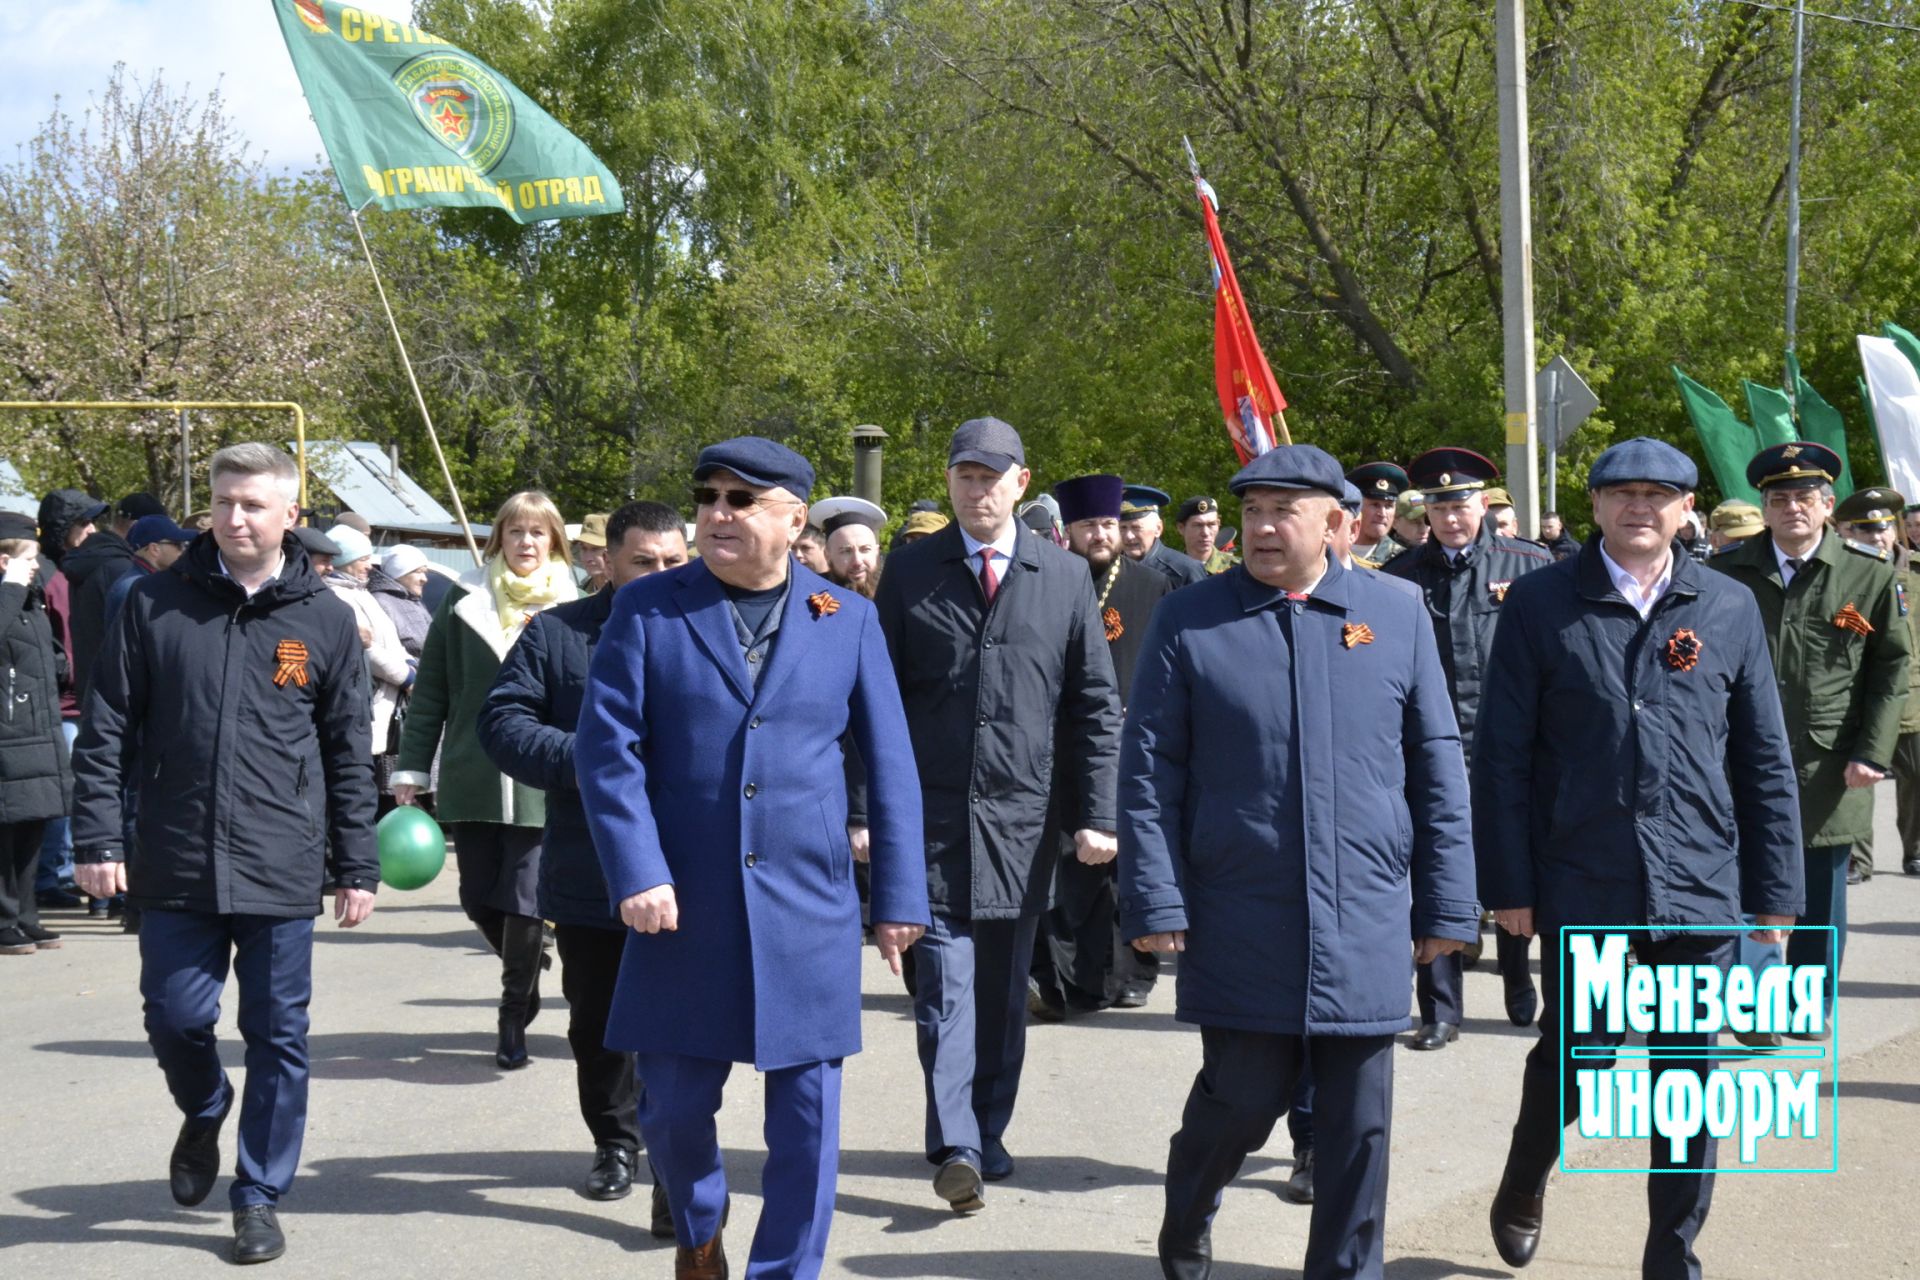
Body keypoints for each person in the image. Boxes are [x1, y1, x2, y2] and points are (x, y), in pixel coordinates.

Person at [1121, 444, 1477, 1280]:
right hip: (1241, 907)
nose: (1263, 527)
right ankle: (1191, 1208)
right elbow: (1148, 771)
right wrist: (1155, 896)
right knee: (1240, 1101)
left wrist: (1448, 905)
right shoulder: (1193, 618)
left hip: (1367, 909)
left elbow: (1437, 762)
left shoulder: (1397, 612)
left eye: (1285, 511)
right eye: (1252, 511)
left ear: (1339, 525)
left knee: (1358, 1126)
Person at [576, 438, 927, 1279]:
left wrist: (901, 898)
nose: (717, 513)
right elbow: (606, 749)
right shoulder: (650, 608)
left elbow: (891, 764)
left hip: (808, 908)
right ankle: (700, 1229)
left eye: (742, 499)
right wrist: (637, 869)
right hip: (680, 905)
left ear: (794, 519)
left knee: (806, 1124)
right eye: (708, 496)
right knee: (672, 1113)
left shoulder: (848, 619)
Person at [1474, 438, 1802, 1278]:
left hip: (1698, 884)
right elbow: (1503, 754)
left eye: (1660, 494)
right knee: (1575, 1063)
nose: (1640, 507)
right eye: (1622, 493)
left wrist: (1775, 896)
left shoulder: (1725, 607)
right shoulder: (1543, 604)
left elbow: (1763, 760)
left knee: (1686, 1084)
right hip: (1585, 880)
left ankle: (1671, 1258)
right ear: (1593, 506)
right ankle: (1523, 1176)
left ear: (1687, 509)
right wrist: (1508, 885)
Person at [69, 443, 377, 1265]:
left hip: (281, 862)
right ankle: (205, 1105)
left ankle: (258, 1192)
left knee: (279, 1034)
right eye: (222, 501)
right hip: (174, 855)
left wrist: (357, 862)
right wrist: (96, 837)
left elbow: (348, 751)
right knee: (175, 1017)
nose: (234, 518)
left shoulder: (324, 620)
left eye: (252, 504)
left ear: (289, 512)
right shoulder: (154, 604)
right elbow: (106, 733)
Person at [873, 416, 1121, 1212]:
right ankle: (957, 1143)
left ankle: (987, 1123)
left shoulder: (1064, 575)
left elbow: (1092, 707)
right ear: (949, 482)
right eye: (964, 476)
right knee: (942, 986)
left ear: (1021, 482)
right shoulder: (909, 574)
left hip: (1023, 824)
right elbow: (872, 704)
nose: (977, 490)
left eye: (992, 476)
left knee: (1004, 993)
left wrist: (1096, 813)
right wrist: (863, 812)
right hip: (931, 825)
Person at [478, 500, 688, 1230]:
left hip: (693, 870)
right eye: (644, 563)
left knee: (679, 1025)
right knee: (598, 1019)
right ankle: (615, 1142)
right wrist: (592, 762)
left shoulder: (716, 630)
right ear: (606, 562)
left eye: (674, 563)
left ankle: (676, 1161)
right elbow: (502, 723)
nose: (660, 576)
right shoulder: (559, 635)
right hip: (592, 866)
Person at [1710, 442, 1910, 1037]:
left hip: (1831, 762)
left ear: (1827, 507)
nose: (1792, 507)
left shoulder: (1866, 575)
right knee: (1749, 882)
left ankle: (1808, 1002)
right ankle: (1753, 1005)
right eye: (1779, 498)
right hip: (1738, 758)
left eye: (1805, 497)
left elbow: (1890, 668)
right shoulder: (1723, 574)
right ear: (1764, 510)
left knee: (1820, 891)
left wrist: (1873, 753)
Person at [393, 492, 578, 1069]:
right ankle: (526, 969)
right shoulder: (463, 599)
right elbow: (432, 693)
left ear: (554, 541)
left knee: (524, 899)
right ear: (499, 537)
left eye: (539, 533)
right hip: (474, 772)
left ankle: (511, 1014)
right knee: (478, 897)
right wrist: (412, 768)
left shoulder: (578, 603)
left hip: (544, 777)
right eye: (516, 531)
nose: (527, 543)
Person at [1383, 447, 1553, 1049]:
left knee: (1514, 861)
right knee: (1437, 873)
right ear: (1424, 511)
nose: (1451, 516)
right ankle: (1441, 1009)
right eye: (1438, 506)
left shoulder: (1529, 565)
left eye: (1460, 504)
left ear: (1484, 504)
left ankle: (1516, 977)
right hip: (1432, 748)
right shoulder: (1400, 576)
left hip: (1512, 748)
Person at [1029, 474, 1174, 1021]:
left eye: (1109, 524)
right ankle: (1075, 980)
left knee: (1126, 865)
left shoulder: (1151, 585)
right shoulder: (1051, 580)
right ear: (1068, 531)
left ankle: (1133, 973)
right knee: (1072, 865)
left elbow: (1167, 663)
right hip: (1066, 745)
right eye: (1090, 525)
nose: (1102, 534)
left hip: (1135, 744)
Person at [1832, 487, 1920, 878]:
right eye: (1865, 530)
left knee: (1916, 774)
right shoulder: (1837, 572)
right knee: (1858, 776)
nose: (1877, 537)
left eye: (1883, 528)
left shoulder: (1915, 571)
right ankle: (1857, 858)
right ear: (1848, 533)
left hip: (1913, 694)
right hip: (1855, 694)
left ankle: (1915, 849)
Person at [0, 514, 72, 955]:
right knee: (5, 833)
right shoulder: (10, 597)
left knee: (31, 828)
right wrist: (9, 585)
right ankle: (4, 919)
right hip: (7, 734)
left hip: (35, 729)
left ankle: (26, 916)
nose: (35, 568)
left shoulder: (28, 601)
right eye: (28, 560)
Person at [31, 488, 106, 911]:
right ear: (64, 529)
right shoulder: (49, 575)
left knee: (72, 791)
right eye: (84, 523)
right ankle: (52, 874)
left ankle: (59, 871)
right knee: (61, 793)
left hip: (75, 697)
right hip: (62, 701)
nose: (92, 530)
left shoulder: (72, 572)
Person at [63, 491, 169, 705]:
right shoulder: (122, 569)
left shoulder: (93, 558)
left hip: (93, 689)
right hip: (117, 696)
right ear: (138, 525)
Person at [320, 525, 413, 756]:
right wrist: (406, 677)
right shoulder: (338, 595)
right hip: (369, 701)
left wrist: (412, 665)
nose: (369, 566)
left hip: (386, 700)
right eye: (363, 559)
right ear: (344, 560)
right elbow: (366, 649)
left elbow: (390, 641)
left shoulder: (360, 592)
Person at [102, 515, 193, 631]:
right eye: (178, 544)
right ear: (154, 549)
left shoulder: (141, 582)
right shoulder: (134, 588)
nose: (183, 550)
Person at [1119, 485, 1208, 587]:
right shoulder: (1110, 570)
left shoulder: (1184, 571)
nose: (1128, 536)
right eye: (1123, 528)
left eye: (1136, 528)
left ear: (1158, 528)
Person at [812, 496, 888, 601]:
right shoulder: (813, 596)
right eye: (846, 551)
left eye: (865, 549)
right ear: (827, 555)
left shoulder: (897, 592)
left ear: (876, 552)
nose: (857, 561)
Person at [1345, 462, 1409, 565]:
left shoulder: (1403, 560)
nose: (1382, 513)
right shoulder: (1333, 550)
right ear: (1357, 507)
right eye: (1375, 505)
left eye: (1388, 506)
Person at [1176, 496, 1238, 573]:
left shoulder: (1238, 569)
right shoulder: (1170, 571)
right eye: (1198, 525)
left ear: (1218, 524)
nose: (1205, 533)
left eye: (1212, 524)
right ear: (1181, 528)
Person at [574, 513, 610, 592]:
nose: (588, 558)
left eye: (595, 549)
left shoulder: (631, 593)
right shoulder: (579, 594)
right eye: (584, 548)